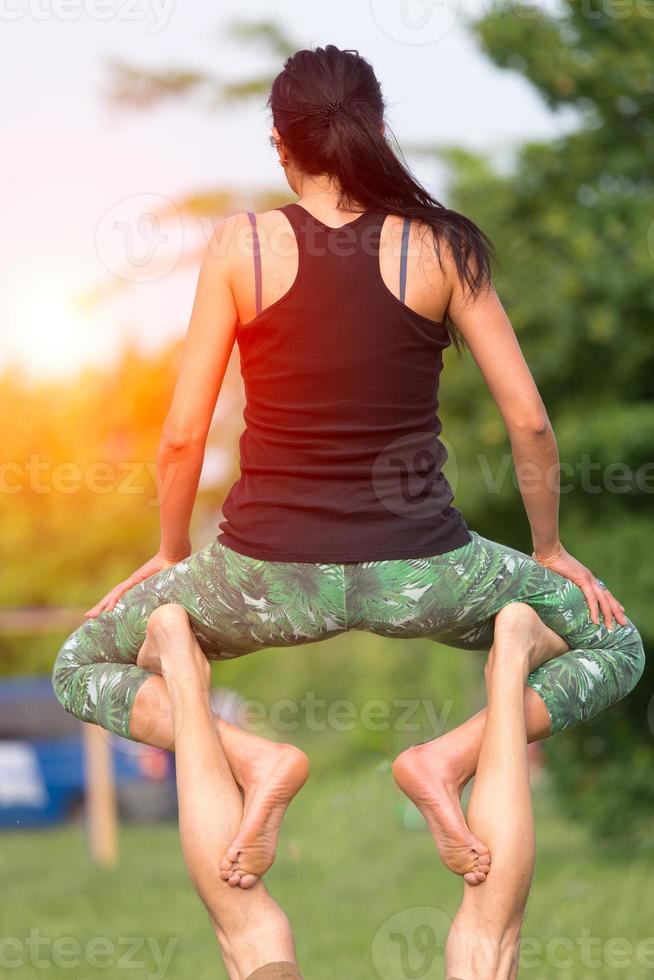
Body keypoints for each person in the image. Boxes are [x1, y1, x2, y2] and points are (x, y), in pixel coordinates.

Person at [52, 43, 645, 977]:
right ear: (374, 129)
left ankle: (252, 759)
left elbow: (178, 437)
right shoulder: (445, 245)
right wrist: (551, 545)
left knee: (82, 661)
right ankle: (454, 755)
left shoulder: (240, 244)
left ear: (281, 145)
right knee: (616, 645)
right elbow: (529, 422)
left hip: (260, 577)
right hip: (429, 571)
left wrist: (171, 552)